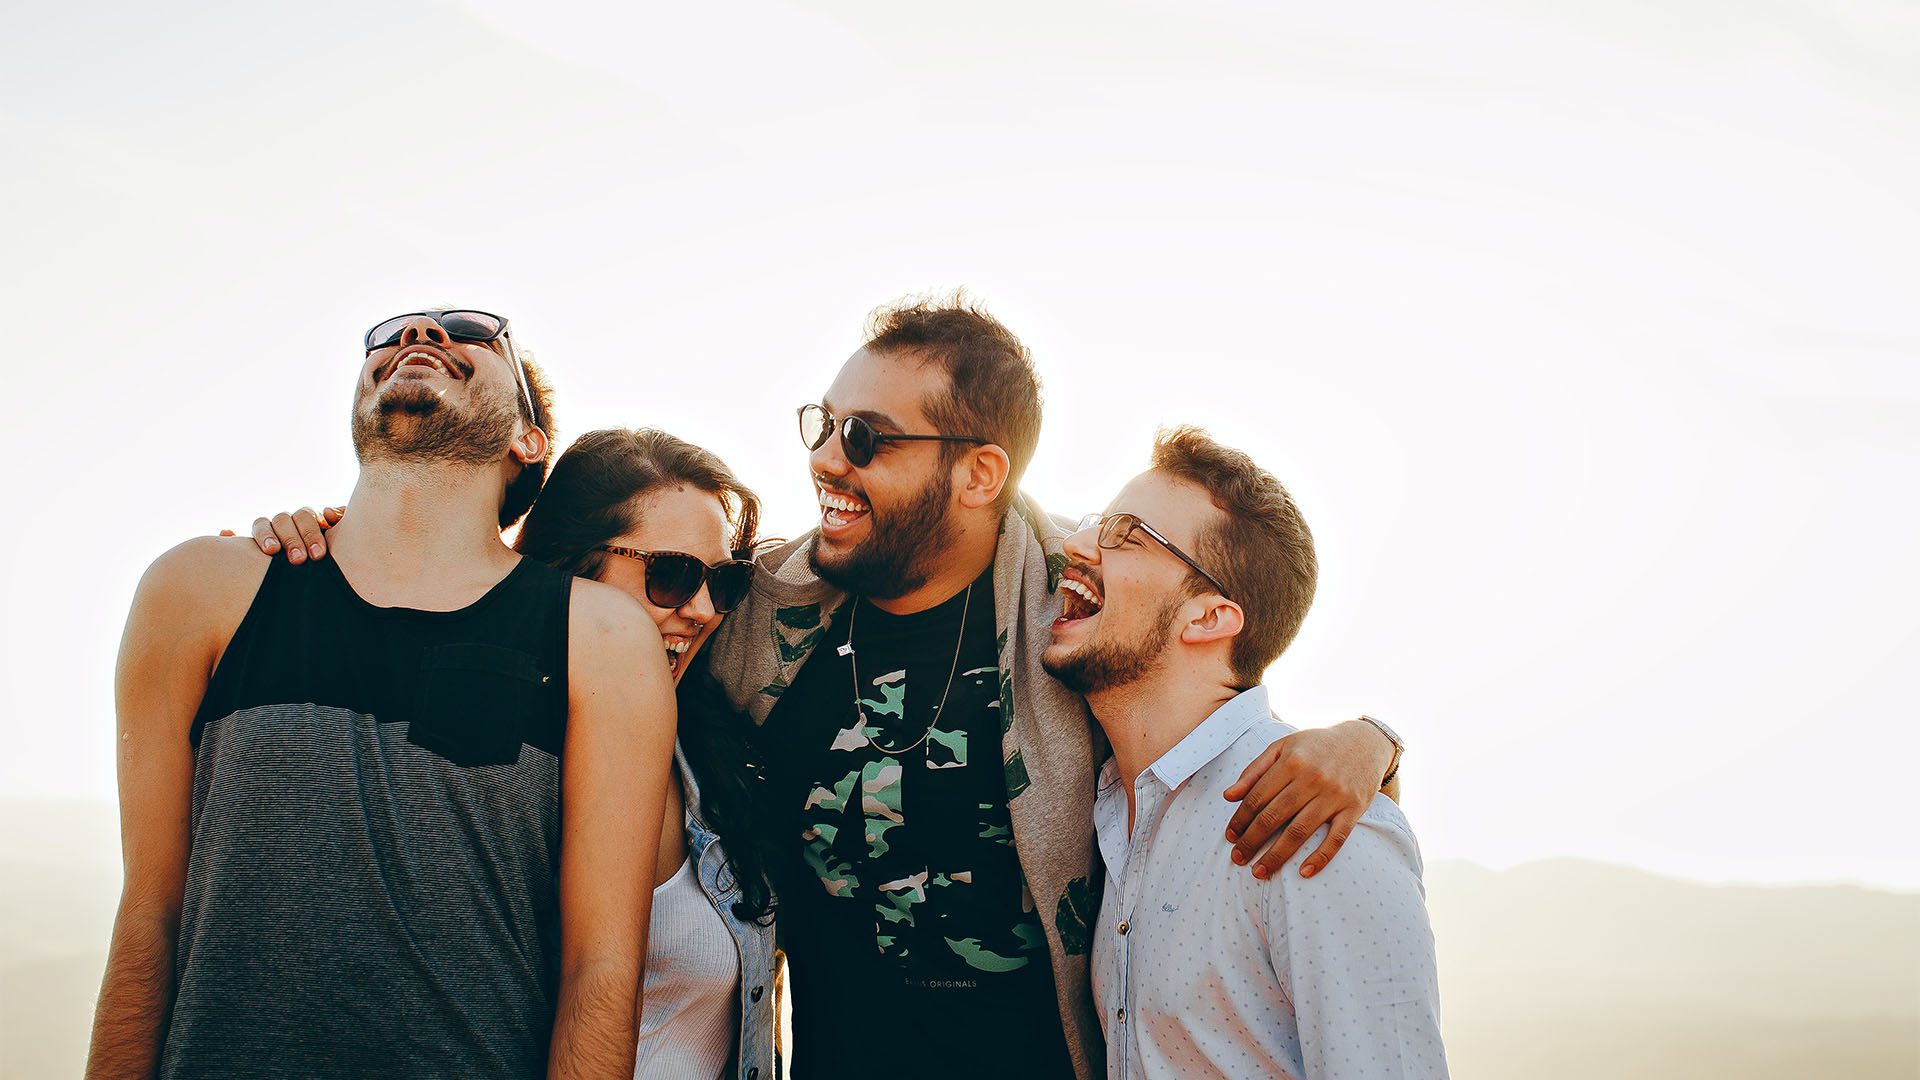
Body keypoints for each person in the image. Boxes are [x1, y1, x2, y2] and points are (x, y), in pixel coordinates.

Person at [705, 294, 1406, 1079]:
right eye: (825, 424)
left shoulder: (1072, 613)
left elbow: (1203, 701)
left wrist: (1369, 742)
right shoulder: (754, 618)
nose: (829, 458)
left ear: (980, 472)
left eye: (866, 437)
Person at [86, 310, 676, 1080]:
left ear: (527, 441)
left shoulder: (598, 638)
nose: (420, 333)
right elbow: (148, 920)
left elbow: (600, 969)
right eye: (391, 336)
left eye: (470, 334)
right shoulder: (200, 589)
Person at [247, 427, 784, 1080]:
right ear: (574, 568)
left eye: (725, 582)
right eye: (670, 576)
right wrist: (310, 546)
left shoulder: (709, 747)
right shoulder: (473, 752)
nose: (703, 609)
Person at [1045, 427, 1445, 1079]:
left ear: (1208, 618)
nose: (1076, 544)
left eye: (1124, 534)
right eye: (1095, 522)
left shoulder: (1321, 827)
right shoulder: (1114, 805)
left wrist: (1378, 741)